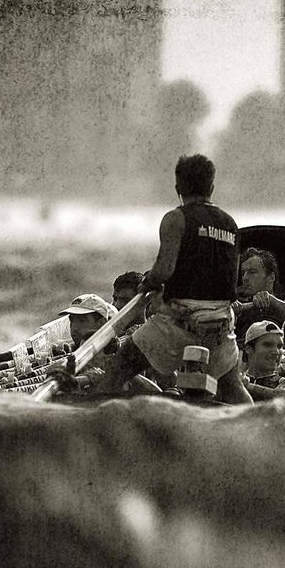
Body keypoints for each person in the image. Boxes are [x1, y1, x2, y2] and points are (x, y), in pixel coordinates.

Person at [103, 154, 252, 404]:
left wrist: (148, 283)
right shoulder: (231, 224)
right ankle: (256, 425)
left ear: (178, 188)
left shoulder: (175, 218)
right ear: (211, 187)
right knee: (233, 386)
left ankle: (98, 429)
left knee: (118, 368)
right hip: (221, 325)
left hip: (177, 326)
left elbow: (164, 270)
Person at [234, 247, 285, 338]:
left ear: (271, 278)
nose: (245, 278)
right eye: (243, 273)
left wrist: (271, 301)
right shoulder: (240, 308)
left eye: (252, 272)